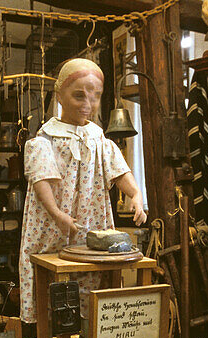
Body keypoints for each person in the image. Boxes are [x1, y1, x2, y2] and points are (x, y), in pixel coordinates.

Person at [18, 57, 147, 323]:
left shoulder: (98, 138)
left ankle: (91, 336)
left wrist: (135, 194)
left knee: (92, 279)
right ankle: (52, 337)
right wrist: (57, 214)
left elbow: (119, 171)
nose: (87, 104)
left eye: (95, 96)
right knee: (52, 280)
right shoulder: (45, 139)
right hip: (52, 228)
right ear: (60, 96)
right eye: (78, 96)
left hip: (90, 226)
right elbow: (42, 181)